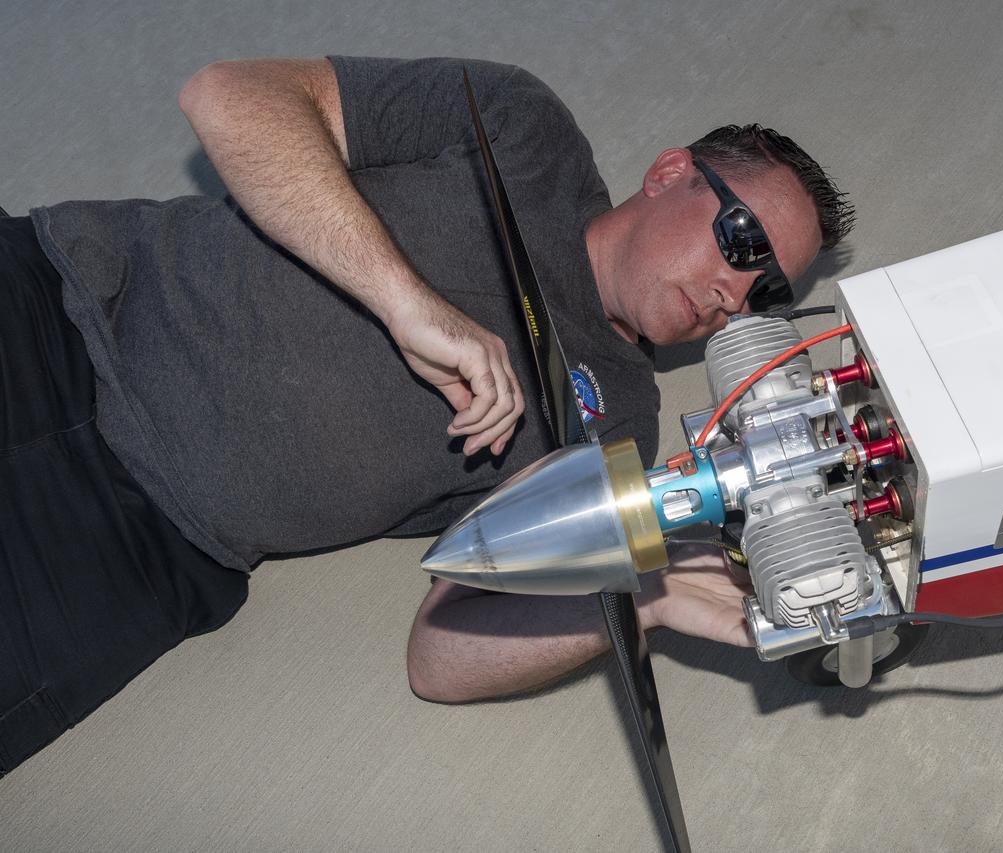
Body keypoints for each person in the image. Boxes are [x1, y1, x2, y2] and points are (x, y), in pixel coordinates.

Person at [0, 56, 854, 774]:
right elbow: (227, 95)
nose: (734, 294)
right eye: (743, 242)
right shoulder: (524, 132)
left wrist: (648, 601)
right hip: (55, 315)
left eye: (766, 291)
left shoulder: (622, 427)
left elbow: (441, 658)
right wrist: (403, 300)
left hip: (129, 560)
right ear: (671, 173)